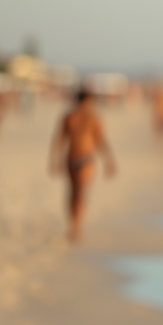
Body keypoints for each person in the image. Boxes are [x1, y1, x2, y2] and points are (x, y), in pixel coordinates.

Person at [49, 89, 116, 243]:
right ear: (85, 101)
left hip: (83, 159)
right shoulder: (72, 117)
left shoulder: (91, 118)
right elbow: (59, 139)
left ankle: (76, 226)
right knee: (74, 192)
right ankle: (74, 224)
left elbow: (100, 140)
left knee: (78, 192)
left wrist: (109, 161)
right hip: (76, 159)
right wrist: (54, 160)